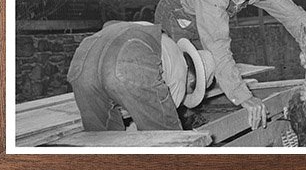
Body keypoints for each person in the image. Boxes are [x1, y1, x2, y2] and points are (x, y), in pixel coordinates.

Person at [155, 0, 306, 131]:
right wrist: (243, 96)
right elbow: (218, 47)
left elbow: (294, 15)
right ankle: (176, 128)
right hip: (176, 16)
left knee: (207, 74)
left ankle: (192, 117)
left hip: (205, 14)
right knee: (183, 77)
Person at [67, 20, 215, 132]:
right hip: (127, 58)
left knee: (103, 138)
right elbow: (161, 121)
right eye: (190, 90)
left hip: (82, 59)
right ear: (191, 79)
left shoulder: (165, 43)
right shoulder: (181, 71)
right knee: (169, 140)